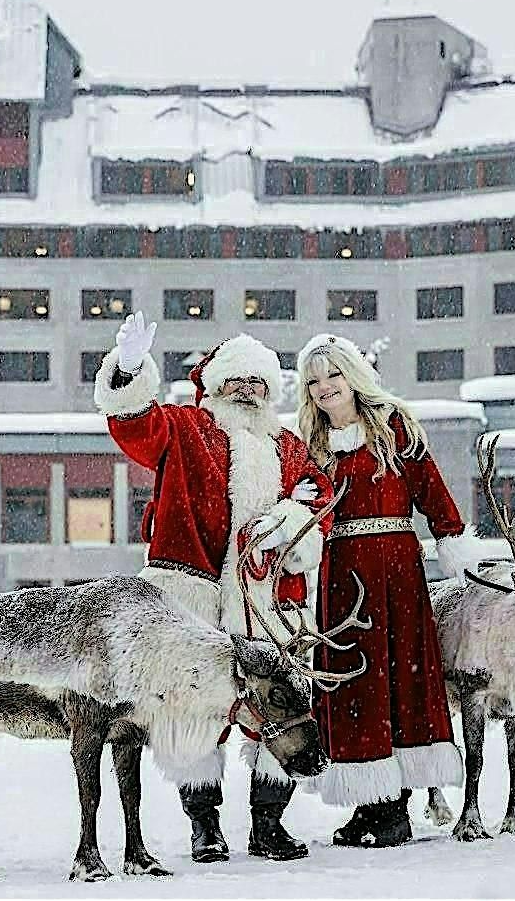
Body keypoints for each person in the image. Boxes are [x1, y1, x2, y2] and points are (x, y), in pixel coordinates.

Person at [94, 312, 335, 863]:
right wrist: (129, 368)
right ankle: (204, 824)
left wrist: (293, 517)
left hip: (269, 603)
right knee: (194, 709)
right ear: (217, 386)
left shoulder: (289, 446)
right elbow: (136, 428)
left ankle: (269, 824)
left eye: (257, 382)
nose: (247, 390)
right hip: (193, 596)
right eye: (236, 380)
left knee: (282, 704)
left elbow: (318, 495)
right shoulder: (185, 429)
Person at [295, 333, 478, 847]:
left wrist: (451, 538)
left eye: (333, 374)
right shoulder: (309, 445)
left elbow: (431, 490)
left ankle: (393, 809)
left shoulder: (394, 427)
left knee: (398, 679)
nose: (325, 387)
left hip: (396, 573)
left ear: (353, 376)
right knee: (355, 682)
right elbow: (300, 510)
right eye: (314, 380)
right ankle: (370, 802)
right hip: (342, 581)